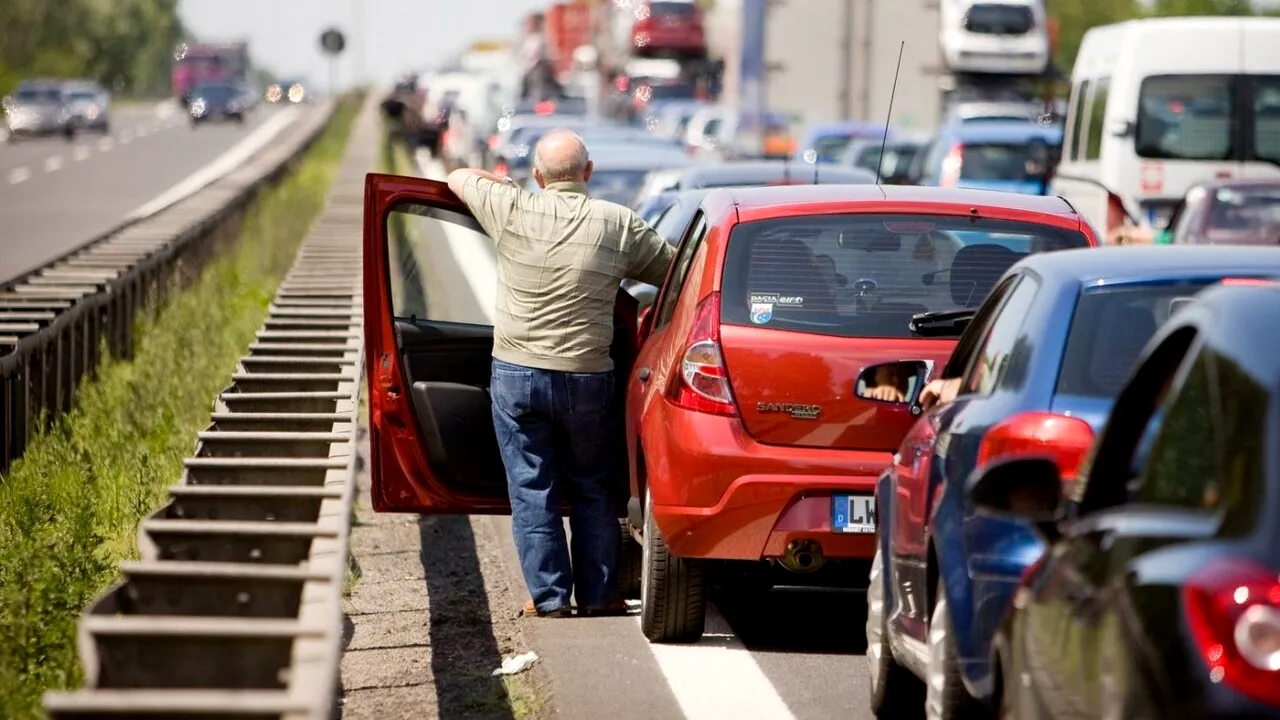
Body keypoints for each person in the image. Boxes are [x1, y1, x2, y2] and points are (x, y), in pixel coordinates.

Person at [446, 130, 675, 619]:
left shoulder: (511, 209)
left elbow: (457, 175)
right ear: (588, 173)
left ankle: (549, 599)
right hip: (587, 378)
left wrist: (504, 184)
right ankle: (599, 595)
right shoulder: (618, 224)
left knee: (532, 488)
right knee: (593, 485)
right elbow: (674, 274)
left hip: (517, 373)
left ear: (538, 176)